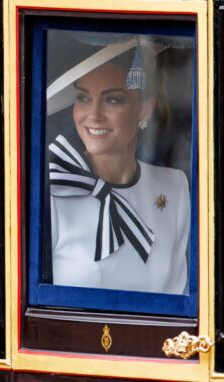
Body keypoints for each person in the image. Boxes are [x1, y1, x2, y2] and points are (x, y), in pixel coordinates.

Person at [47, 36, 191, 295]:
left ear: (144, 110)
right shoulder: (55, 191)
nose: (93, 115)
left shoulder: (175, 187)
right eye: (83, 98)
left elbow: (179, 294)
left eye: (112, 100)